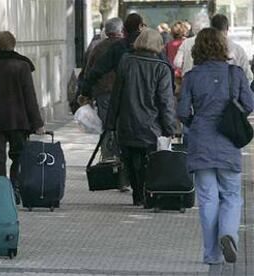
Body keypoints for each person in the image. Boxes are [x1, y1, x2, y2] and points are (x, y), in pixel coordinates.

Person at [177, 28, 254, 265]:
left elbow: (182, 112)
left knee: (208, 198)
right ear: (223, 46)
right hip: (228, 141)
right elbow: (249, 104)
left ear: (197, 48)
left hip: (200, 141)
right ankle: (229, 233)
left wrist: (196, 121)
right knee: (231, 194)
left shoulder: (192, 76)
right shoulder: (236, 73)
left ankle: (212, 254)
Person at [0, 31, 44, 204]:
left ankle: (0, 194)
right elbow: (30, 96)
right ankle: (15, 188)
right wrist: (37, 123)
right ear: (14, 44)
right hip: (18, 121)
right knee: (19, 157)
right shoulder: (22, 65)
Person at [108, 28, 176, 206]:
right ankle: (148, 194)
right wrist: (170, 128)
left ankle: (137, 195)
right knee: (150, 162)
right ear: (158, 45)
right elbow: (165, 102)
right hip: (151, 126)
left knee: (130, 160)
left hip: (127, 122)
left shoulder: (126, 61)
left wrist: (110, 123)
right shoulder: (161, 68)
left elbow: (116, 94)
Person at [83, 17, 123, 159]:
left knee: (106, 126)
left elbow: (89, 71)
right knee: (121, 125)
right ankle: (120, 157)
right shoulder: (125, 46)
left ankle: (107, 157)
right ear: (120, 30)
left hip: (103, 92)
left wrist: (86, 93)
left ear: (106, 31)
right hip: (122, 93)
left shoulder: (98, 47)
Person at [174, 14, 253, 83]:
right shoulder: (238, 50)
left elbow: (177, 63)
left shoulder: (204, 47)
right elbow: (248, 76)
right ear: (227, 28)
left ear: (210, 28)